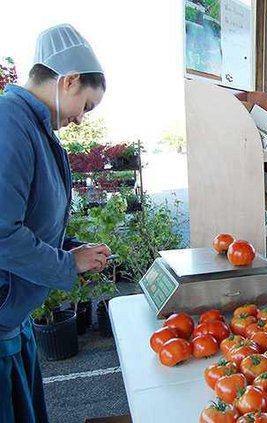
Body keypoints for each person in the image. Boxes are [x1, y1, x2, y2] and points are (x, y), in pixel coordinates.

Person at [0, 24, 112, 422]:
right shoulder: (9, 122)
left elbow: (29, 220)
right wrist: (69, 264)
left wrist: (72, 248)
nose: (82, 119)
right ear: (69, 81)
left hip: (14, 318)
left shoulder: (34, 127)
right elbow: (2, 234)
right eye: (87, 106)